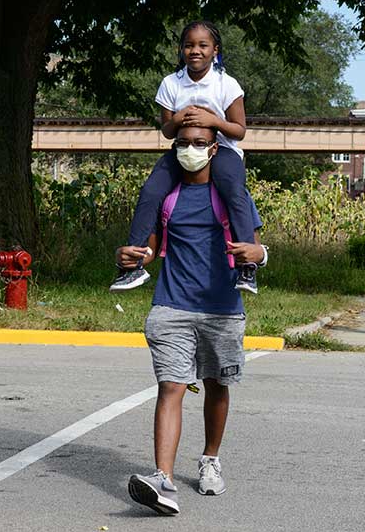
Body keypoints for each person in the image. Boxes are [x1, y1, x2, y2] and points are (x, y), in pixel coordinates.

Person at [116, 124, 266, 515]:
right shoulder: (168, 196)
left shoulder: (232, 196)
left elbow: (257, 246)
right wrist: (134, 257)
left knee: (216, 386)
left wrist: (260, 256)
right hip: (172, 305)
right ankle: (162, 479)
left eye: (199, 144)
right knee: (171, 387)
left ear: (215, 149)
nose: (190, 150)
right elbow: (151, 247)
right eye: (183, 143)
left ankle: (210, 459)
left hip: (222, 309)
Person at [110, 20, 259, 294]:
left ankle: (246, 267)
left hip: (221, 149)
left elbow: (239, 130)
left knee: (234, 192)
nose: (195, 51)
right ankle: (132, 267)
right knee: (151, 191)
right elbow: (168, 131)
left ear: (215, 50)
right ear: (181, 50)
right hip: (181, 148)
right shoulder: (171, 83)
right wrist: (178, 118)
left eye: (203, 45)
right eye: (189, 45)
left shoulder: (226, 84)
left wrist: (212, 120)